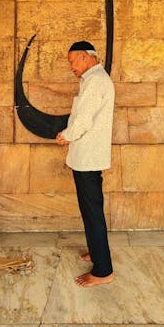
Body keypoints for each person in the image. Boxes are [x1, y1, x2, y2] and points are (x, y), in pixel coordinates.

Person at [56, 40, 115, 288]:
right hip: (86, 157)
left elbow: (83, 120)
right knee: (90, 209)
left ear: (85, 57)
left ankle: (103, 270)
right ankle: (96, 251)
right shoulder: (93, 79)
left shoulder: (95, 81)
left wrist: (66, 135)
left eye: (72, 61)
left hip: (88, 158)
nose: (70, 66)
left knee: (92, 211)